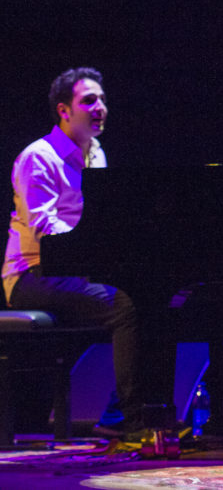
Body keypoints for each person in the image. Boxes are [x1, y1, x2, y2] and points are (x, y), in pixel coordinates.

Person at [2, 67, 144, 437]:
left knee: (158, 296)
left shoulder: (96, 153)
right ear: (64, 111)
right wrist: (97, 247)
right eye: (89, 100)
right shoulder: (39, 157)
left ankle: (129, 414)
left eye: (103, 100)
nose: (100, 107)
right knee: (125, 306)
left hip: (74, 268)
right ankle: (128, 422)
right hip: (31, 276)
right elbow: (44, 227)